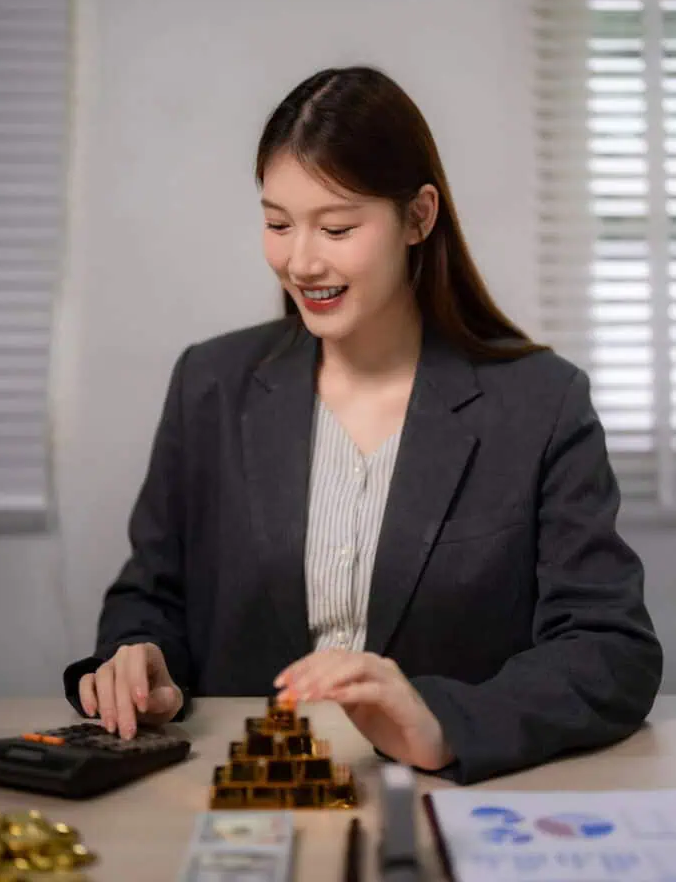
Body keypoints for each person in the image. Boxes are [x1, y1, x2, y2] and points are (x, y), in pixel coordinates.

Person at [63, 66, 662, 784]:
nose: (300, 261)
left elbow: (610, 651)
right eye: (277, 223)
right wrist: (142, 659)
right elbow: (151, 596)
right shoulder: (210, 384)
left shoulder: (540, 402)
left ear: (418, 217)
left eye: (337, 227)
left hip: (439, 793)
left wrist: (443, 724)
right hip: (243, 794)